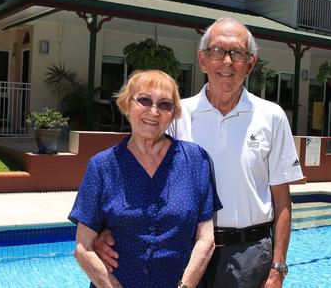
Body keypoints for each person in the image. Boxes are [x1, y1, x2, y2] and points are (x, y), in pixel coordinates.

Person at [94, 18, 304, 288]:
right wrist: (106, 231)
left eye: (237, 53)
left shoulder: (272, 117)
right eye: (217, 51)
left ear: (250, 63)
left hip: (248, 253)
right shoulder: (178, 114)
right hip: (186, 250)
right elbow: (144, 171)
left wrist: (277, 269)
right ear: (203, 60)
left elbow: (282, 201)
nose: (227, 62)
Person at [69, 69, 221, 288]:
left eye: (165, 105)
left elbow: (206, 239)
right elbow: (83, 248)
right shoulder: (102, 166)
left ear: (173, 113)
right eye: (144, 100)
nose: (154, 111)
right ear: (127, 104)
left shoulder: (195, 160)